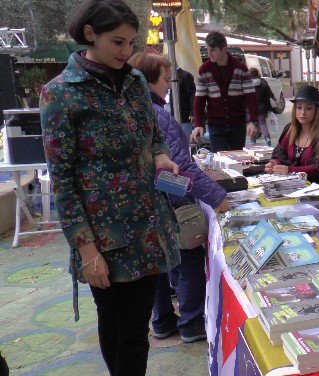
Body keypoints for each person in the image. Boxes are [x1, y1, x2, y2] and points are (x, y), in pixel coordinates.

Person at [40, 1, 181, 374]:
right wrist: (87, 249)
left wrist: (160, 155)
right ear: (90, 34)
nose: (126, 52)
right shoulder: (61, 93)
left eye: (131, 43)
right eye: (117, 42)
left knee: (135, 328)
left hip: (149, 227)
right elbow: (63, 179)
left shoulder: (134, 82)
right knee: (118, 325)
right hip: (104, 235)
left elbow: (152, 135)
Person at [128, 52, 231, 343]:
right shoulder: (157, 115)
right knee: (186, 260)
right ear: (150, 81)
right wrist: (213, 196)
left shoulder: (133, 112)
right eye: (164, 78)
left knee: (157, 265)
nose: (168, 85)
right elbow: (180, 168)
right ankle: (191, 323)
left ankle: (161, 321)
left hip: (144, 203)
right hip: (168, 202)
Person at [192, 31, 258, 152]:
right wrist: (198, 124)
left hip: (237, 124)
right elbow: (199, 99)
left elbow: (251, 96)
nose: (209, 53)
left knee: (237, 161)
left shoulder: (240, 68)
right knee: (219, 161)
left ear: (224, 49)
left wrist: (253, 121)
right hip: (215, 125)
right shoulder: (204, 69)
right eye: (207, 49)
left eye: (213, 50)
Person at [265, 85, 319, 184]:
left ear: (316, 111)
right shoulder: (290, 129)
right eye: (299, 107)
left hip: (316, 186)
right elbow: (279, 154)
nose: (302, 112)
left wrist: (290, 170)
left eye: (308, 108)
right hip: (290, 184)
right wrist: (275, 164)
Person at [249, 67, 276, 146]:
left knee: (253, 123)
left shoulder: (249, 82)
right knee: (262, 123)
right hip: (263, 107)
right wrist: (273, 99)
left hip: (252, 108)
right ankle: (267, 139)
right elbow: (269, 92)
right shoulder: (263, 82)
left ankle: (253, 139)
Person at [172, 66, 196, 143]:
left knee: (184, 141)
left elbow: (192, 95)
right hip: (175, 115)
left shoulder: (185, 76)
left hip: (184, 115)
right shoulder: (169, 77)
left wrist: (192, 112)